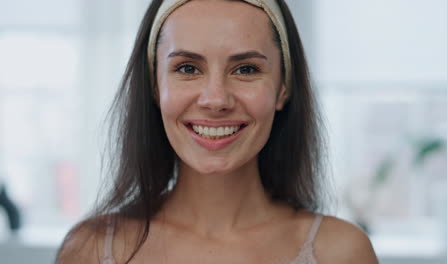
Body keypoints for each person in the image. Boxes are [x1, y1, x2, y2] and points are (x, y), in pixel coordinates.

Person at [57, 0, 379, 263]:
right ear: (155, 87)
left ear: (283, 88)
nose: (215, 100)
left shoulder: (340, 253)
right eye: (187, 68)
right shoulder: (91, 251)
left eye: (246, 69)